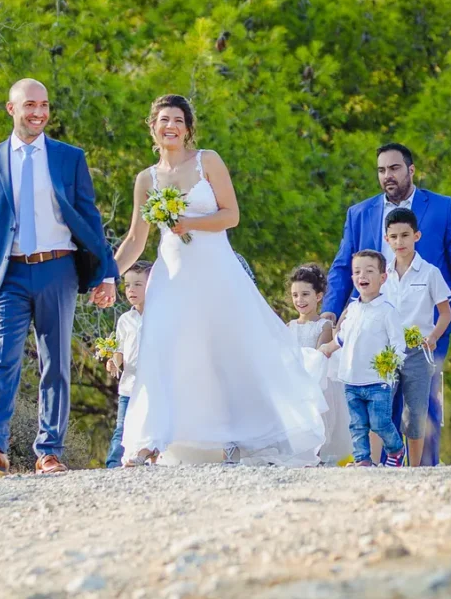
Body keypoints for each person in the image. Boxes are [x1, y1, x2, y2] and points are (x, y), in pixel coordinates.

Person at [111, 94, 326, 466]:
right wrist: (105, 275)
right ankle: (152, 439)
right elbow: (135, 238)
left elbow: (231, 216)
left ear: (188, 128)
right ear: (153, 127)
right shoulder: (146, 179)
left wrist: (189, 223)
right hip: (172, 278)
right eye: (163, 120)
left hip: (215, 272)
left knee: (229, 352)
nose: (171, 126)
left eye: (178, 120)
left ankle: (243, 436)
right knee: (163, 352)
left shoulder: (207, 161)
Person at [0, 78, 118, 476]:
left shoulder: (69, 158)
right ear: (12, 109)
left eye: (45, 105)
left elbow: (90, 218)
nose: (39, 113)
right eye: (30, 105)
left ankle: (49, 451)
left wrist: (107, 274)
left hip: (58, 269)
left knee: (56, 364)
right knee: (2, 361)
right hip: (7, 274)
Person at [324, 143, 451, 465]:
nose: (387, 176)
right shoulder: (360, 213)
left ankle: (425, 470)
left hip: (425, 326)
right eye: (381, 170)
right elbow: (342, 266)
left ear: (411, 170)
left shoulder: (442, 208)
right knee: (378, 397)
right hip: (371, 323)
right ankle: (383, 467)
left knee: (422, 400)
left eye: (394, 168)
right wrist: (330, 313)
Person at [378, 208, 451, 467]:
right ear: (386, 239)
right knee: (380, 406)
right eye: (394, 237)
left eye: (405, 236)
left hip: (417, 350)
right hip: (387, 351)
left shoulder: (430, 273)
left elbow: (445, 313)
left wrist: (432, 337)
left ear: (416, 236)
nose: (400, 242)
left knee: (416, 412)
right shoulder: (382, 276)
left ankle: (415, 467)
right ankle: (381, 462)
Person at [320, 250, 407, 467]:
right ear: (352, 278)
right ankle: (363, 460)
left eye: (369, 271)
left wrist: (391, 362)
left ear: (382, 277)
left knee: (380, 423)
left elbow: (399, 343)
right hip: (351, 379)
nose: (362, 276)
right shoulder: (353, 309)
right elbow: (342, 337)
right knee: (357, 425)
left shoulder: (388, 311)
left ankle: (396, 450)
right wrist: (327, 348)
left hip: (378, 380)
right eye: (357, 271)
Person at [286, 262, 352, 466]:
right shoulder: (289, 326)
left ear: (319, 296)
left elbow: (318, 357)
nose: (300, 300)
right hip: (294, 381)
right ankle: (297, 452)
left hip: (316, 381)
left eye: (305, 294)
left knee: (318, 420)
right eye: (295, 295)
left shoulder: (323, 326)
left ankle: (317, 455)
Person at [104, 261, 151, 469]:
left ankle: (149, 457)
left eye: (138, 284)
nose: (131, 290)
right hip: (128, 385)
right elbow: (120, 350)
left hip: (151, 385)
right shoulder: (125, 320)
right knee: (121, 427)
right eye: (127, 285)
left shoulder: (159, 316)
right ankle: (113, 464)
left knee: (149, 423)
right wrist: (114, 361)